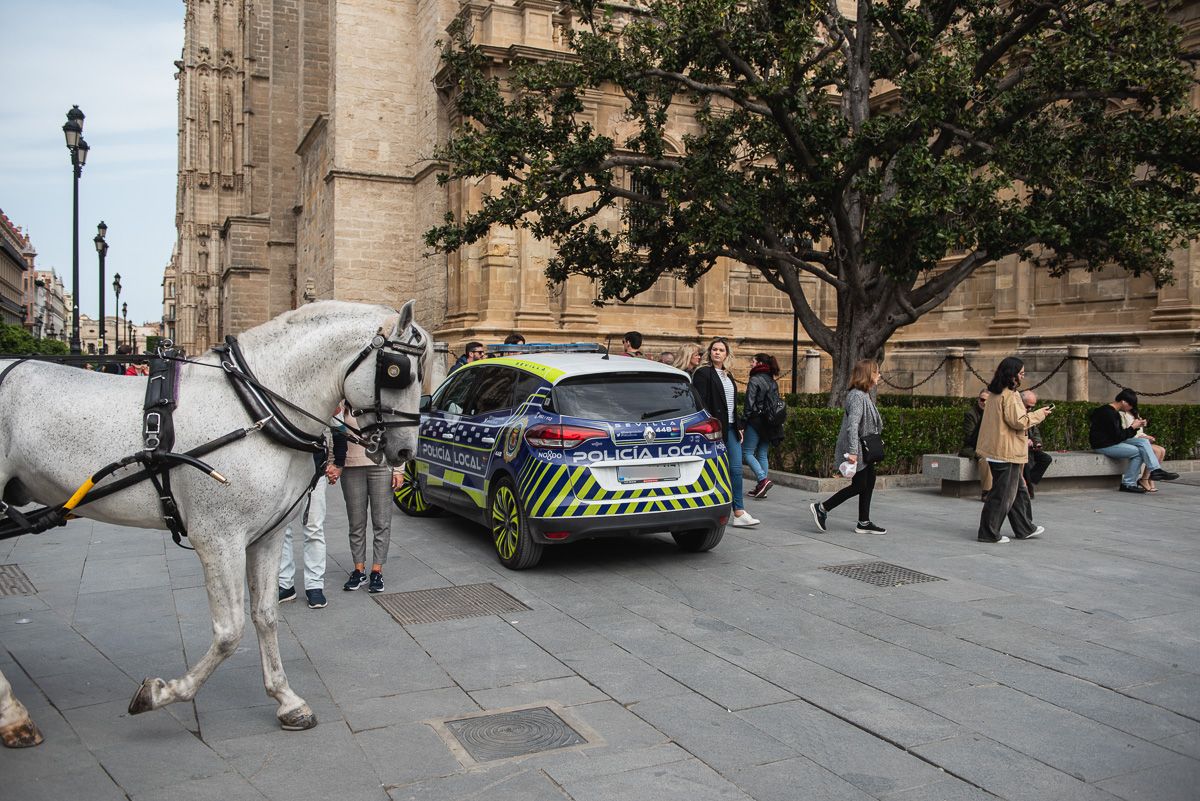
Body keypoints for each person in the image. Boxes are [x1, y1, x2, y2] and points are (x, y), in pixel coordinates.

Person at [975, 357, 1053, 543]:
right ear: (1012, 375)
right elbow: (1018, 421)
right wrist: (1039, 414)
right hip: (1006, 452)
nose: (1023, 377)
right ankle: (988, 532)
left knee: (1017, 491)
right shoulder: (1009, 395)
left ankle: (1024, 528)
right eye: (1021, 373)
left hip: (1000, 449)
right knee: (1002, 495)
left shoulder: (995, 393)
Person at [809, 359, 888, 535]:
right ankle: (822, 508)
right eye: (876, 372)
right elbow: (853, 426)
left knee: (869, 482)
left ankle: (864, 522)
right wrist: (853, 452)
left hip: (866, 447)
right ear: (868, 375)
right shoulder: (857, 396)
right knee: (860, 485)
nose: (879, 375)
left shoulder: (864, 394)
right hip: (859, 448)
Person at [691, 338, 759, 527]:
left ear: (726, 354)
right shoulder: (703, 373)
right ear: (710, 352)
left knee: (736, 470)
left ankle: (739, 511)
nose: (717, 353)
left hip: (731, 428)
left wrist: (738, 426)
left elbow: (732, 405)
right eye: (714, 349)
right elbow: (700, 403)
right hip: (715, 429)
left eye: (721, 350)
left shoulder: (728, 375)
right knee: (714, 469)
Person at [278, 425, 347, 609]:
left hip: (315, 473)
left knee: (314, 529)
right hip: (285, 473)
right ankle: (285, 584)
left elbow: (339, 431)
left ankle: (314, 586)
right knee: (282, 530)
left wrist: (338, 463)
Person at [339, 407, 404, 593]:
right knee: (356, 523)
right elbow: (334, 429)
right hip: (351, 466)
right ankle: (358, 569)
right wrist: (333, 462)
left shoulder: (381, 398)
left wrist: (399, 469)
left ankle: (377, 570)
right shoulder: (344, 400)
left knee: (381, 522)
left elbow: (397, 432)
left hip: (382, 465)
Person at [1090, 388, 1178, 493]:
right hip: (1104, 446)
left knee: (1143, 442)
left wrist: (1135, 427)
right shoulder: (1110, 413)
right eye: (1130, 405)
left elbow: (1118, 435)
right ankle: (1128, 483)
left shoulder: (1109, 411)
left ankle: (1155, 470)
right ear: (1123, 401)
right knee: (1138, 452)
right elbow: (1119, 436)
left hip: (1112, 441)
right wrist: (1133, 427)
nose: (1130, 408)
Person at [744, 353, 782, 499]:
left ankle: (762, 479)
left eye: (752, 362)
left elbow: (749, 402)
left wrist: (743, 419)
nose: (751, 364)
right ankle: (762, 487)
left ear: (759, 363)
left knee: (746, 453)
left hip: (756, 420)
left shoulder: (754, 379)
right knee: (762, 454)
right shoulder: (772, 380)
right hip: (770, 422)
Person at [1118, 393, 1168, 492]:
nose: (1131, 406)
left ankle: (1150, 479)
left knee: (1162, 450)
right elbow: (1125, 431)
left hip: (1139, 439)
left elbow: (1139, 432)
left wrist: (1146, 436)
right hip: (1129, 440)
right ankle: (1144, 479)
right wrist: (1140, 434)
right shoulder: (1121, 414)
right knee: (1157, 451)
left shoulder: (1135, 414)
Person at [958, 389, 993, 502]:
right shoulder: (971, 414)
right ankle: (986, 491)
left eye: (987, 401)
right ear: (978, 400)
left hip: (991, 447)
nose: (984, 403)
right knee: (985, 459)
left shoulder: (994, 414)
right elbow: (970, 438)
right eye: (982, 400)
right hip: (973, 447)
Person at [1020, 390, 1053, 498]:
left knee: (1046, 458)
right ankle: (1027, 486)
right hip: (1019, 448)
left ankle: (1030, 481)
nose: (1029, 409)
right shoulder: (1017, 413)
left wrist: (1036, 443)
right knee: (1027, 459)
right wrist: (1025, 441)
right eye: (1028, 406)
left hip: (1030, 447)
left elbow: (1035, 433)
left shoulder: (1029, 415)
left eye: (1032, 407)